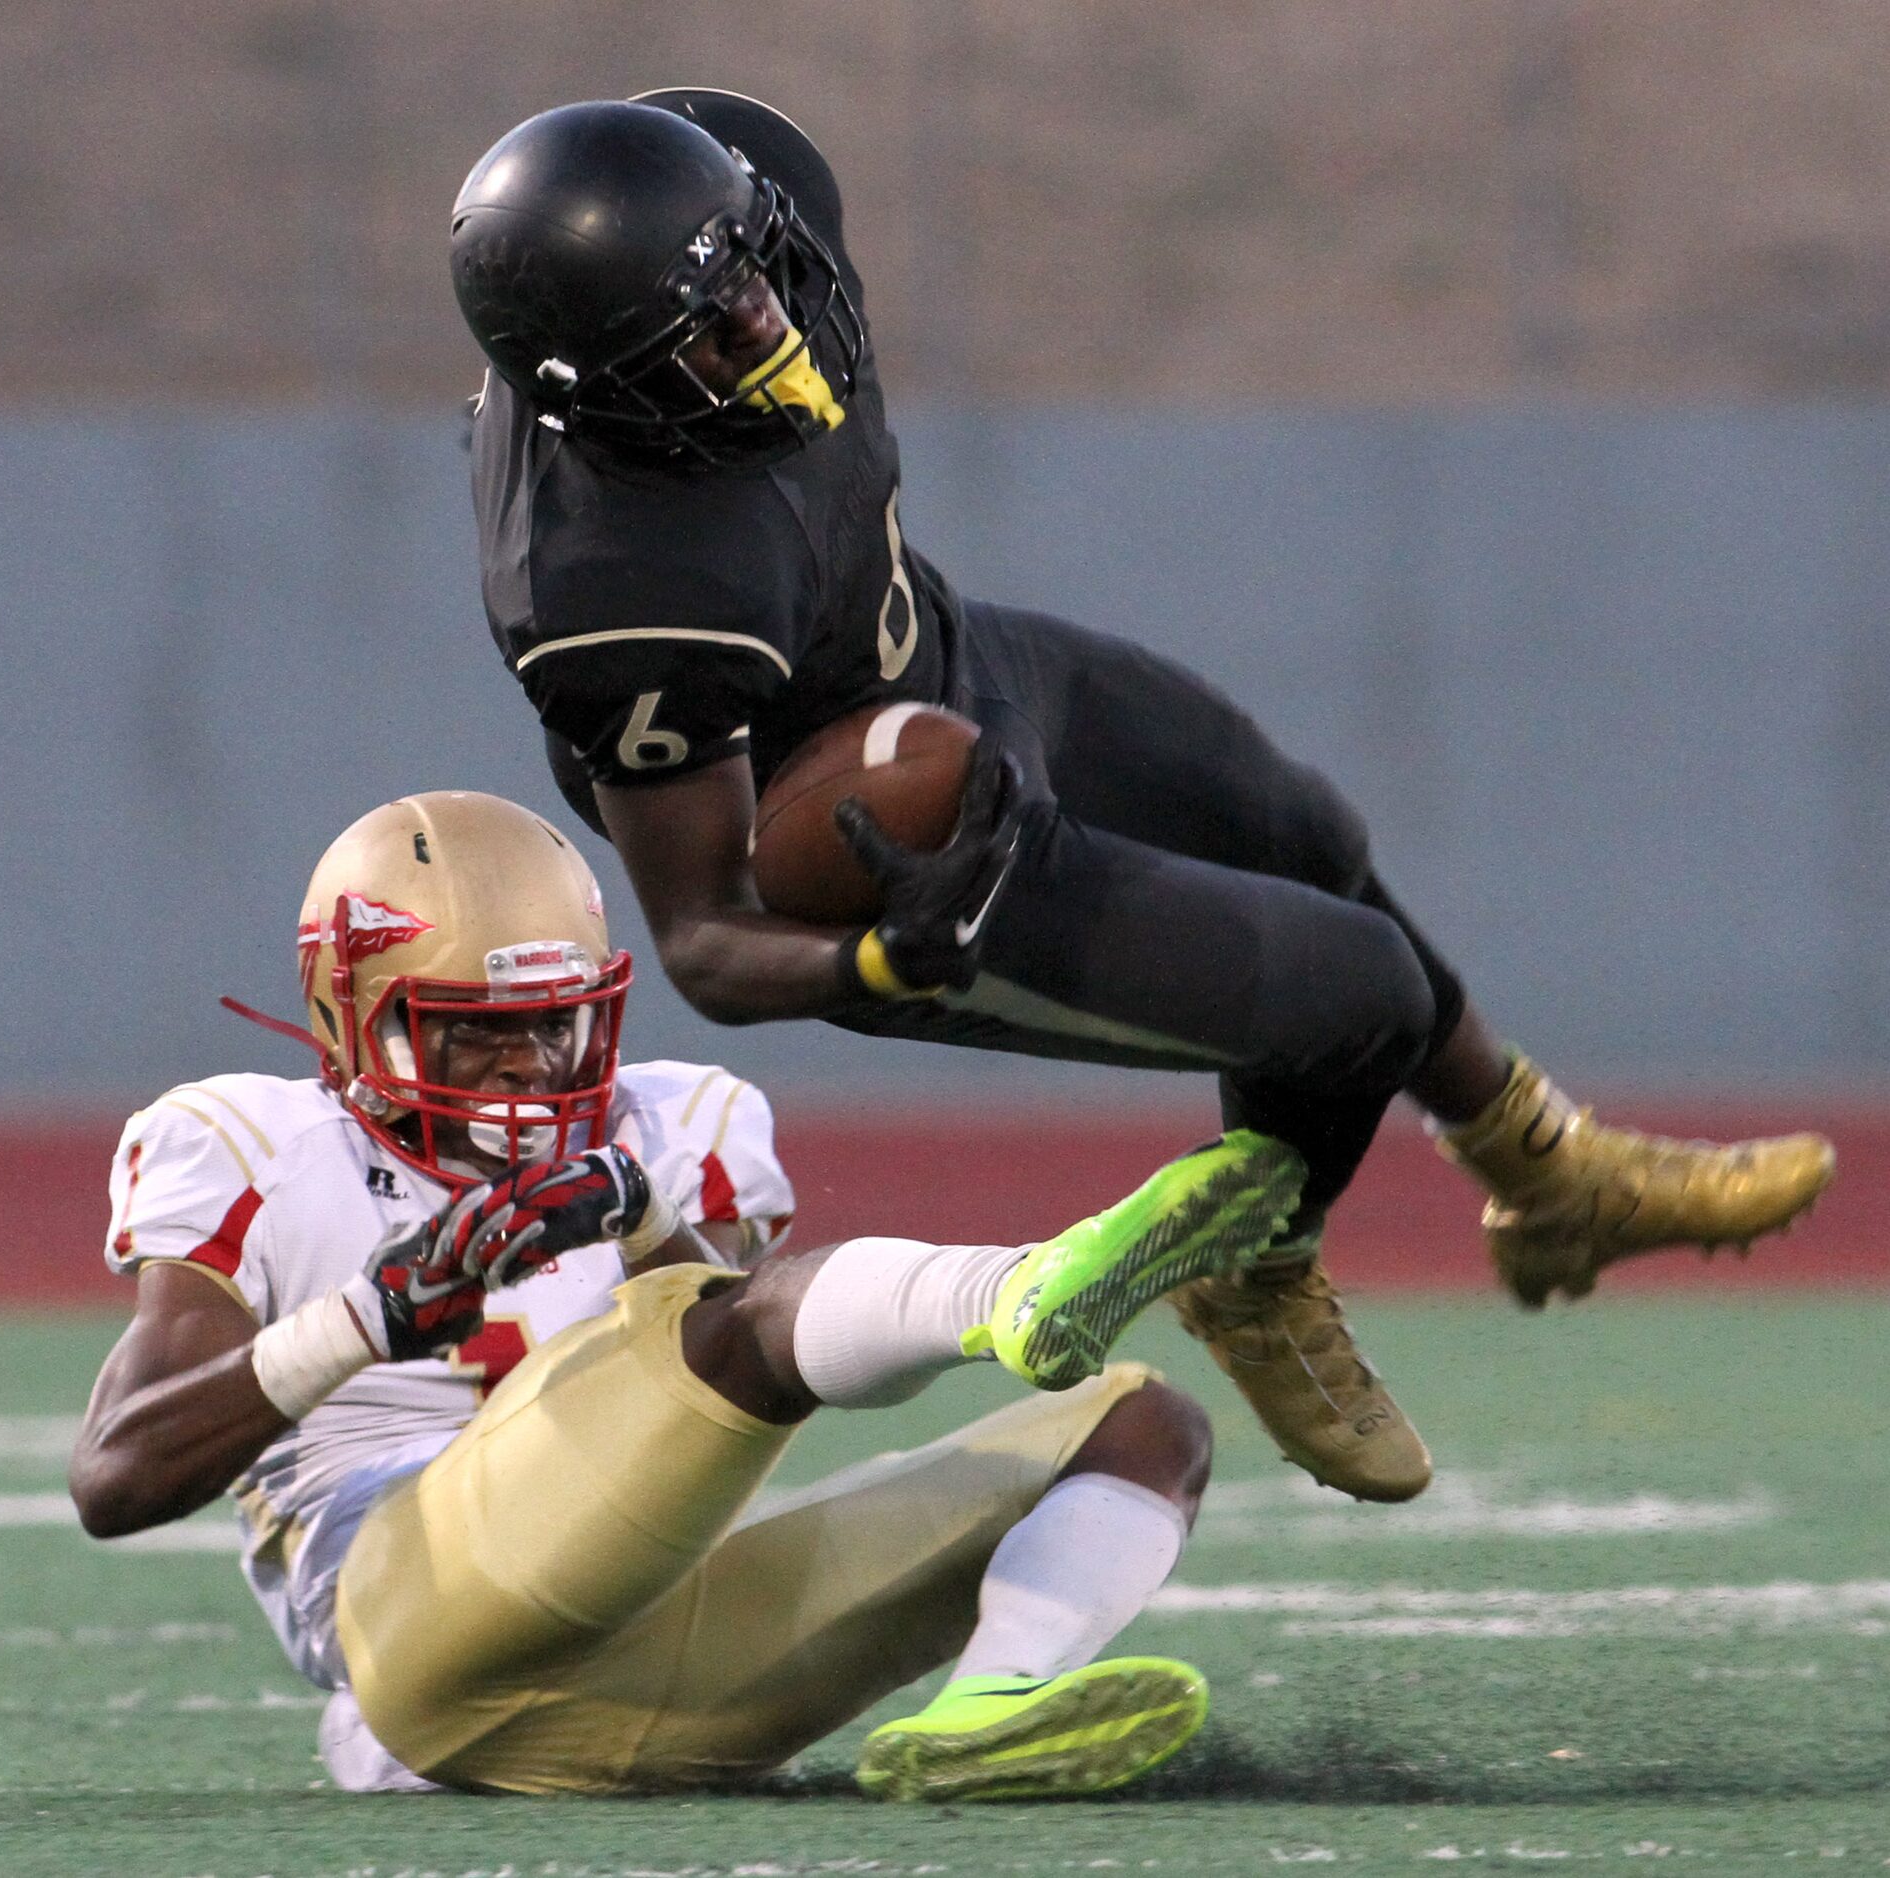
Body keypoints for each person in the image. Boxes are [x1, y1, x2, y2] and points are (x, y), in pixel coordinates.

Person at [449, 91, 1835, 1508]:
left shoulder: (742, 177)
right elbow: (703, 942)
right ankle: (1256, 1270)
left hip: (955, 657)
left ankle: (1548, 1172)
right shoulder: (613, 598)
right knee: (1359, 995)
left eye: (746, 269)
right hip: (914, 854)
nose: (763, 322)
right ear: (600, 398)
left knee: (1305, 829)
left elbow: (713, 239)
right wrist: (886, 951)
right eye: (704, 330)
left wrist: (722, 275)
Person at [71, 788, 1308, 1800]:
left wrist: (644, 1214)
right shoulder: (252, 1142)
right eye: (471, 1029)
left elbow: (730, 1381)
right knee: (734, 1322)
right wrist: (368, 1319)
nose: (527, 1063)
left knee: (1147, 1424)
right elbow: (118, 1477)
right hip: (409, 1611)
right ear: (354, 1015)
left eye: (554, 1024)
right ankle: (1019, 1289)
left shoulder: (672, 1122)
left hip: (636, 1660)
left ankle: (989, 1710)